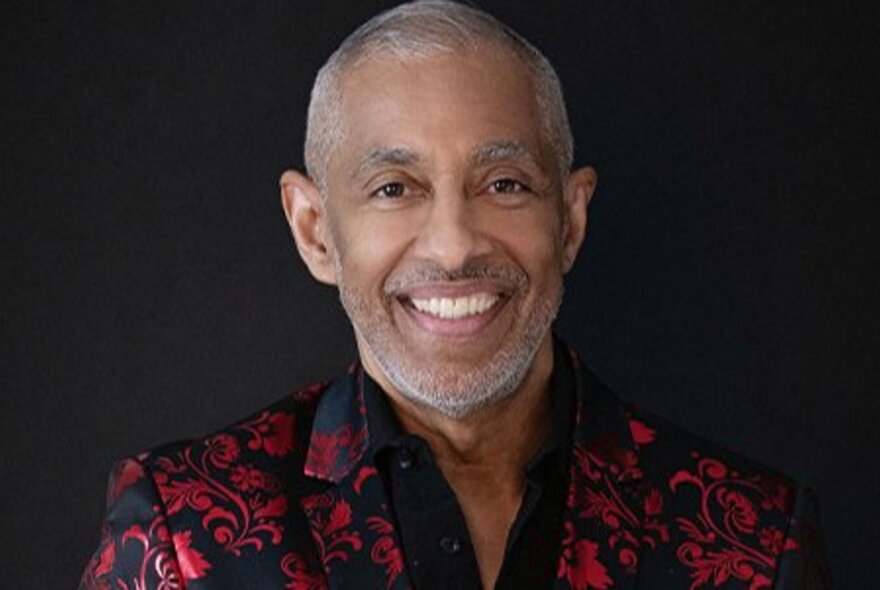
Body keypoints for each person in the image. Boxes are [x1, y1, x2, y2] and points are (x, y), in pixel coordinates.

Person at [79, 1, 830, 588]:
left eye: (503, 184)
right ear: (315, 231)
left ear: (569, 221)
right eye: (393, 188)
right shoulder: (180, 528)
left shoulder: (757, 542)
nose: (454, 244)